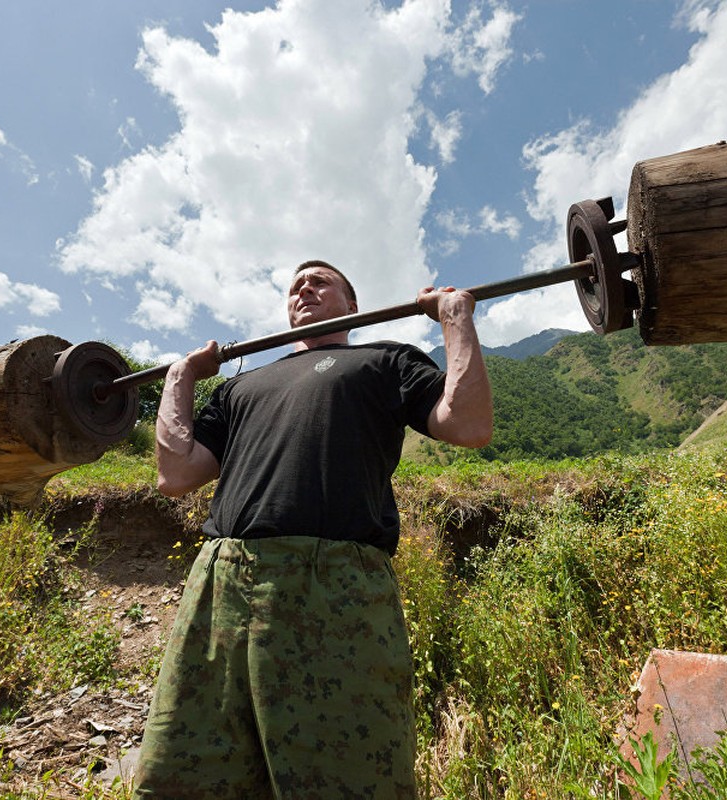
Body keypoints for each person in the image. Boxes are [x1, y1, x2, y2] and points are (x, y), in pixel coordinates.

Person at [134, 259, 492, 798]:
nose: (304, 286)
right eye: (296, 283)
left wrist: (455, 319)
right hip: (221, 585)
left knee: (346, 778)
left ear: (352, 307)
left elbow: (468, 425)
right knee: (189, 769)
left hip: (334, 589)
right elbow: (175, 473)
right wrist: (180, 376)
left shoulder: (383, 360)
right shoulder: (242, 385)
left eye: (321, 280)